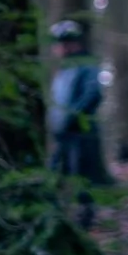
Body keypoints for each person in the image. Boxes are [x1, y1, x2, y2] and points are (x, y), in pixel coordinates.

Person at [47, 20, 110, 226]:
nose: (61, 47)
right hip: (63, 135)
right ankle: (57, 218)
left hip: (81, 134)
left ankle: (85, 221)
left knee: (81, 177)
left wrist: (73, 117)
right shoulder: (64, 71)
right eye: (59, 42)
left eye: (65, 42)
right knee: (54, 174)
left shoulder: (86, 66)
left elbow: (94, 94)